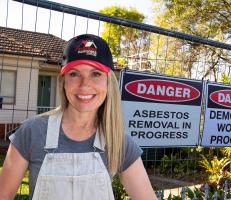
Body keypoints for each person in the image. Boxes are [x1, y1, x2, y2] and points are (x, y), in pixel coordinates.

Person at [0, 34, 157, 200]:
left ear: (108, 82)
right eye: (74, 74)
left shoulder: (118, 141)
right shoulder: (32, 131)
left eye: (95, 74)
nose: (84, 85)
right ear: (63, 81)